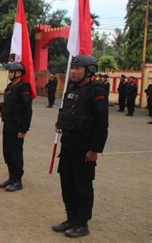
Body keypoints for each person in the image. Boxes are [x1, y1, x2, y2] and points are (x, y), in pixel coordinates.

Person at [53, 55, 108, 238]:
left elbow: (102, 124)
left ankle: (82, 223)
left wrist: (94, 150)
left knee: (82, 186)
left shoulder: (96, 91)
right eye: (73, 68)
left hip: (84, 149)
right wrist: (61, 122)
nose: (73, 71)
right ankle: (71, 218)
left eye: (78, 68)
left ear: (89, 71)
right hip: (68, 145)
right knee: (66, 183)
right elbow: (69, 112)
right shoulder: (71, 89)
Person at [0, 62, 33, 192]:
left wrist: (23, 129)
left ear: (18, 73)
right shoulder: (9, 87)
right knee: (7, 153)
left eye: (12, 72)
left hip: (17, 127)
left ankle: (17, 180)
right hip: (8, 125)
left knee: (15, 154)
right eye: (9, 72)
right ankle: (11, 177)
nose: (9, 74)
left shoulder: (24, 88)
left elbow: (27, 110)